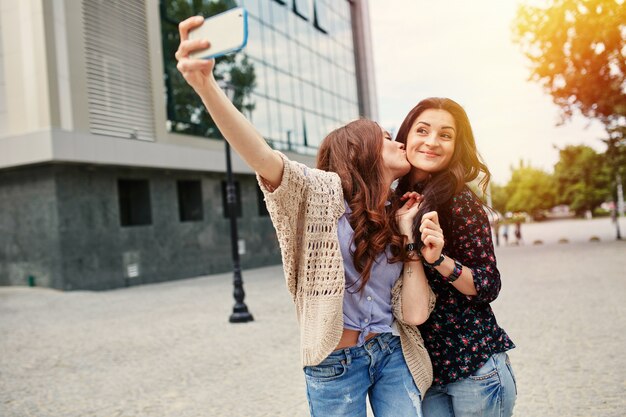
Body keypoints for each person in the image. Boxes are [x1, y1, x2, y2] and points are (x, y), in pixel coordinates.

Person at [175, 16, 438, 417]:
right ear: (360, 151)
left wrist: (409, 236)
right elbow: (262, 157)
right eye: (386, 137)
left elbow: (414, 311)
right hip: (336, 364)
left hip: (393, 353)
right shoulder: (318, 195)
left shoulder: (398, 214)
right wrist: (204, 85)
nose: (399, 141)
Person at [394, 97, 516, 417]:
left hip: (474, 370)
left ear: (455, 146)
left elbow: (488, 285)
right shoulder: (393, 201)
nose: (432, 142)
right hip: (425, 374)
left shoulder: (459, 202)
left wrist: (439, 260)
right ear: (406, 135)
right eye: (423, 130)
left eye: (445, 135)